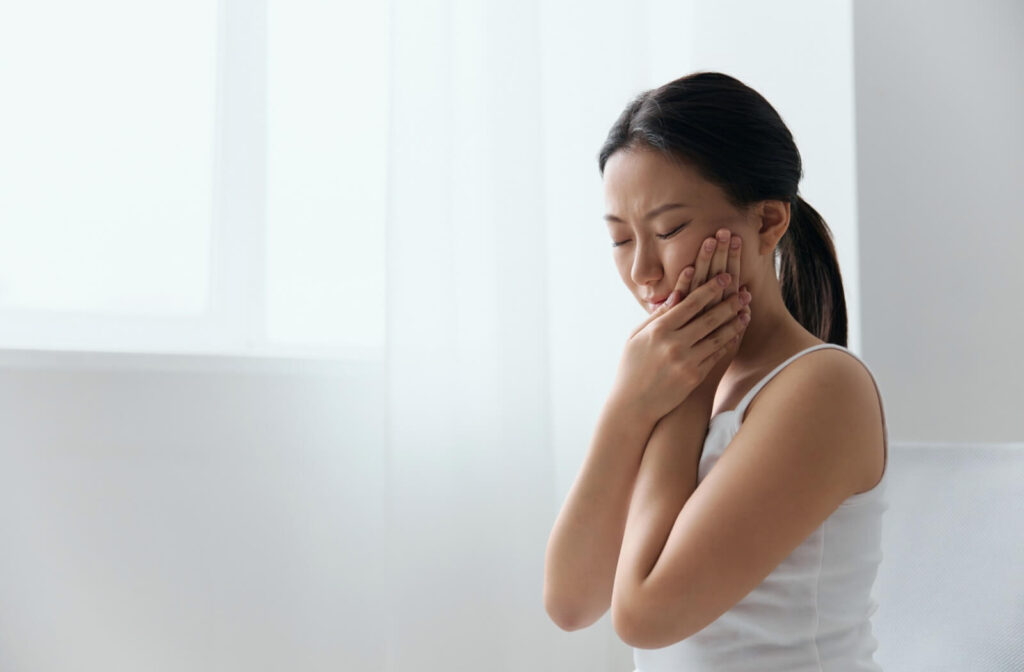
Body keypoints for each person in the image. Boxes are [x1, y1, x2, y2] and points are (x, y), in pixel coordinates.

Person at [544, 71, 889, 671]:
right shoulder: (657, 378)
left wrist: (691, 387)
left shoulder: (822, 387)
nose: (644, 271)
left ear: (767, 223)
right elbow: (572, 603)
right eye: (622, 240)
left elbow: (645, 615)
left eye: (670, 229)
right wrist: (628, 405)